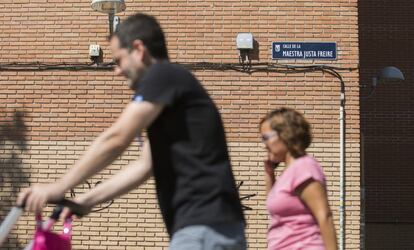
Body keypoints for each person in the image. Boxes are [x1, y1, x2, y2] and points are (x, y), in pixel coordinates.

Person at [17, 13, 246, 249]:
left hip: (205, 229)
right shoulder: (170, 93)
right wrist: (85, 201)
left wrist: (58, 186)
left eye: (119, 60)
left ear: (138, 49)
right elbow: (144, 166)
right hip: (207, 228)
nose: (117, 71)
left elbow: (116, 138)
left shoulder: (163, 75)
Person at [259, 108, 337, 250]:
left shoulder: (304, 167)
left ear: (285, 135)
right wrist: (269, 174)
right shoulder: (289, 172)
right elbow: (275, 208)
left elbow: (324, 216)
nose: (264, 144)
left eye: (265, 138)